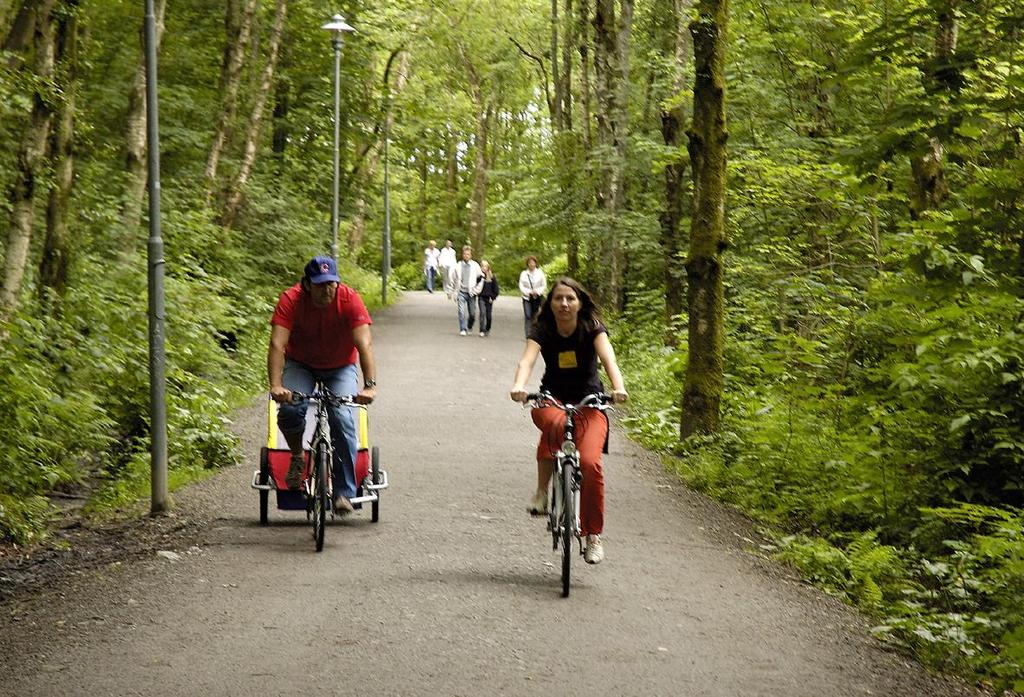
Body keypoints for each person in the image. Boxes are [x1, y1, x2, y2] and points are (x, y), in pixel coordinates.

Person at [509, 277, 627, 565]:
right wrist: (519, 385)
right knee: (555, 422)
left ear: (580, 303)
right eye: (558, 298)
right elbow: (527, 361)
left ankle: (593, 535)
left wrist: (618, 387)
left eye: (570, 299)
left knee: (590, 464)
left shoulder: (592, 328)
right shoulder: (543, 329)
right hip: (552, 399)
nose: (564, 304)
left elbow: (609, 359)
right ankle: (541, 492)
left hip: (590, 403)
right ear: (550, 303)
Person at [268, 256, 378, 515]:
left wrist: (369, 386)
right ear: (307, 284)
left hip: (340, 365)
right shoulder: (291, 300)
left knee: (342, 417)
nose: (327, 290)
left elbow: (364, 344)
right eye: (320, 285)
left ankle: (344, 493)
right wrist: (276, 385)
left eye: (331, 284)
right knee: (292, 408)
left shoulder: (349, 299)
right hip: (301, 363)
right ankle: (297, 455)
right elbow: (276, 344)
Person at [449, 245, 483, 335]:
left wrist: (476, 290)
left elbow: (481, 279)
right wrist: (451, 291)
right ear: (462, 255)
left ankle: (469, 325)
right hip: (461, 292)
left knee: (472, 314)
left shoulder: (475, 265)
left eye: (468, 254)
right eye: (465, 254)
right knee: (461, 311)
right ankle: (462, 329)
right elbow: (453, 279)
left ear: (470, 255)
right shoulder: (458, 266)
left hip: (471, 293)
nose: (466, 256)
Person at [518, 255, 547, 338]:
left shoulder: (540, 273)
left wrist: (537, 292)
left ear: (535, 263)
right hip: (527, 297)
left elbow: (544, 285)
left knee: (535, 315)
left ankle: (533, 333)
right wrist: (528, 292)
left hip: (536, 297)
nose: (531, 264)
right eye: (530, 263)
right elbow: (521, 285)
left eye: (533, 262)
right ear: (527, 264)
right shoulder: (524, 274)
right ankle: (527, 333)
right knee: (527, 315)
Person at [477, 260, 499, 337]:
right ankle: (482, 329)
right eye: (482, 266)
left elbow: (496, 290)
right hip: (481, 298)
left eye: (485, 266)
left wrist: (492, 298)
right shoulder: (479, 277)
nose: (484, 268)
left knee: (488, 316)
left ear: (488, 267)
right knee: (482, 313)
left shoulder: (492, 278)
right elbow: (475, 286)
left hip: (489, 299)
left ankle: (487, 328)